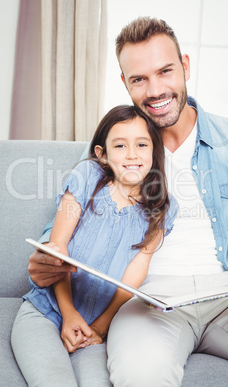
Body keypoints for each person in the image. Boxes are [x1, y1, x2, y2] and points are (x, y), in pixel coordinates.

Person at [19, 17, 228, 386]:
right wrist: (47, 262)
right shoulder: (117, 147)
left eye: (165, 71)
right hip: (147, 302)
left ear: (184, 66)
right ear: (125, 83)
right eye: (139, 79)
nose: (154, 90)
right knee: (140, 376)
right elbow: (69, 234)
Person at [11, 104, 178, 386]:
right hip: (47, 310)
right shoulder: (87, 176)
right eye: (120, 146)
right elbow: (57, 249)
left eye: (141, 144)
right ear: (102, 154)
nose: (133, 154)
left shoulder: (163, 207)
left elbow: (136, 271)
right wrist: (69, 313)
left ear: (154, 150)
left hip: (97, 325)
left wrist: (100, 326)